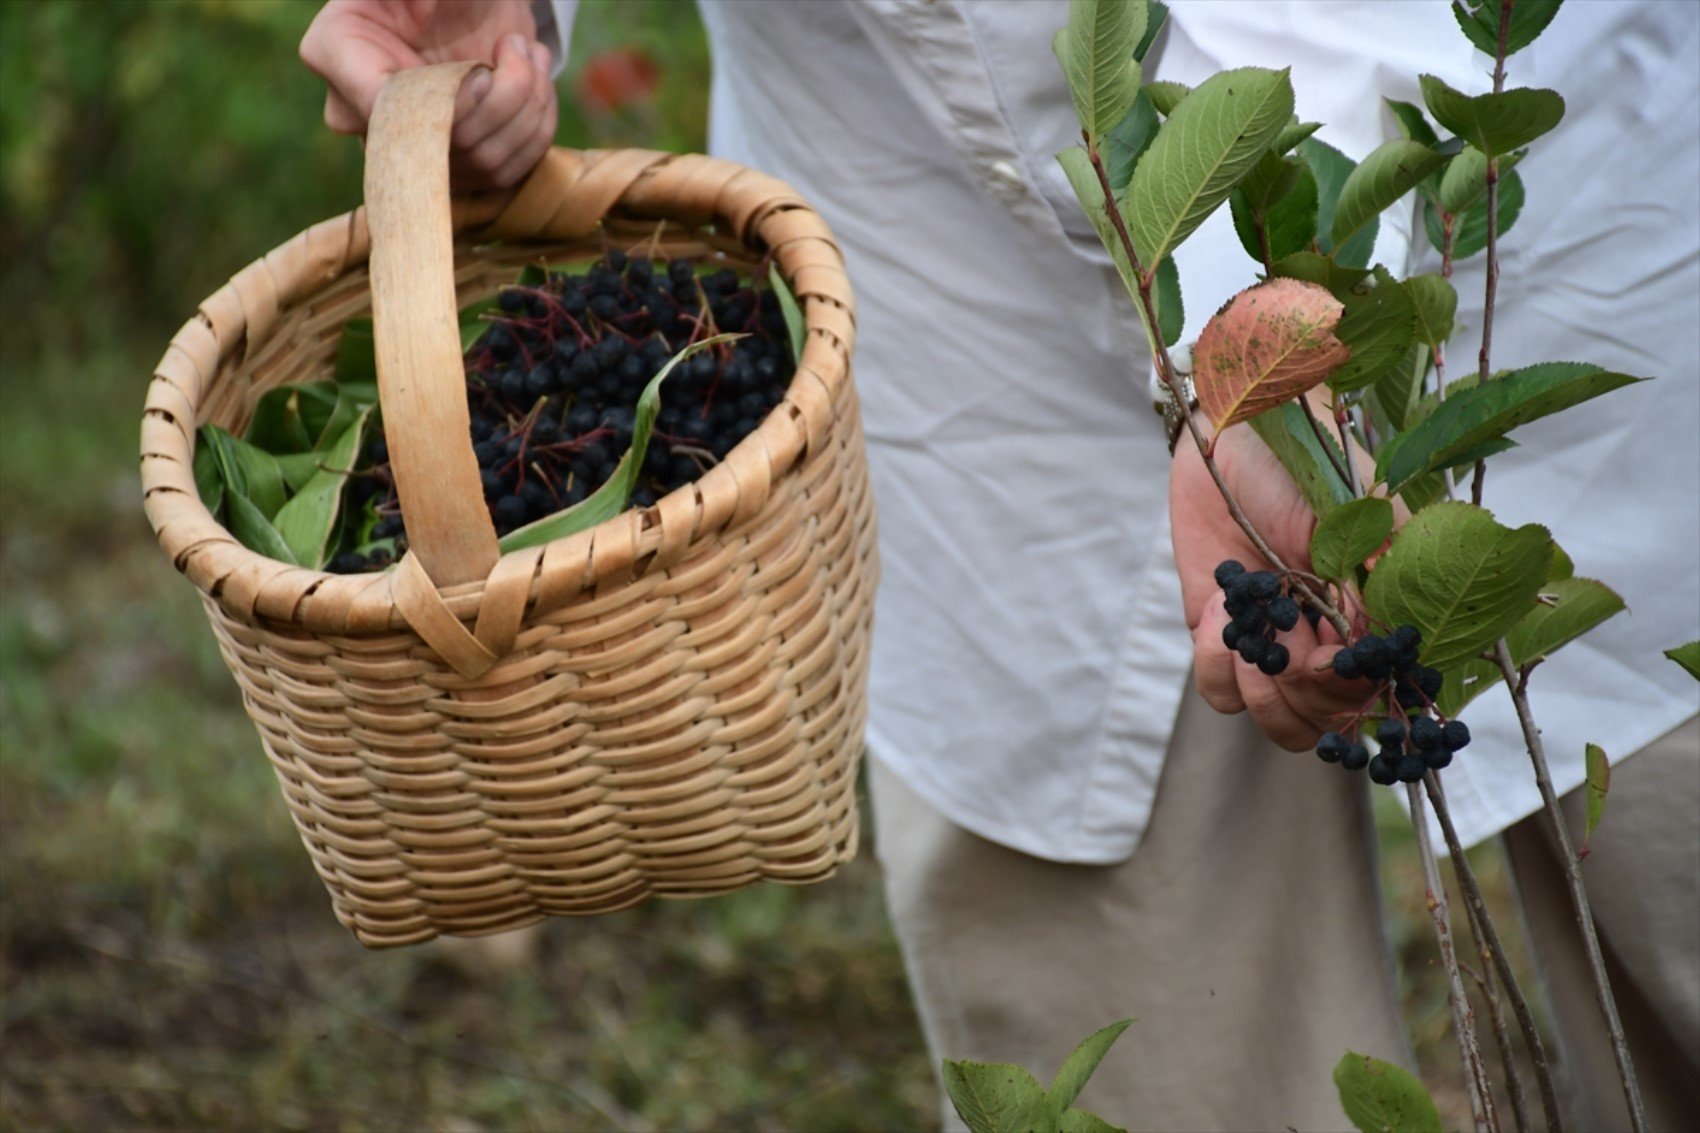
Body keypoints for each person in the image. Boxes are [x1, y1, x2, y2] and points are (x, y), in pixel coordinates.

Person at [302, 2, 1700, 1128]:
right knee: (1127, 1013)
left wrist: (1268, 345)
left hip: (1523, 192)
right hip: (934, 241)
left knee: (1662, 877)